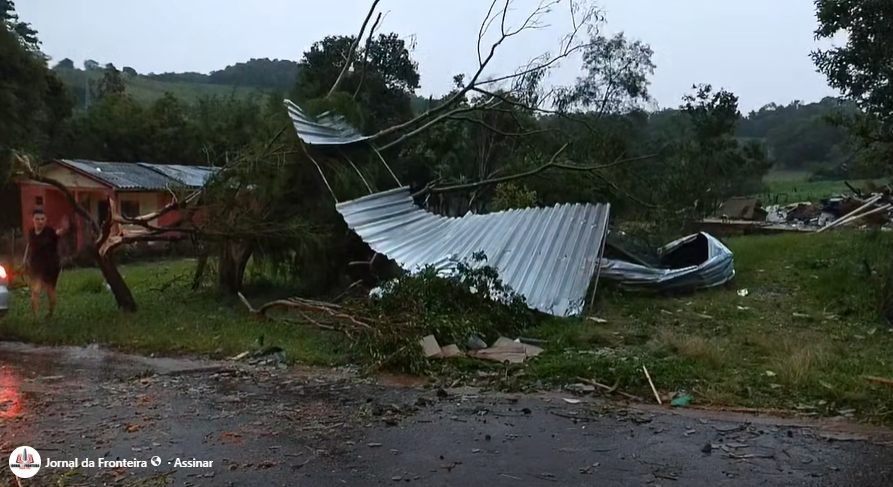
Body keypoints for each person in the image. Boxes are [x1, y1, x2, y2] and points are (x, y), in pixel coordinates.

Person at [23, 209, 69, 322]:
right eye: (37, 219)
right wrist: (25, 259)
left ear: (45, 220)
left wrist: (64, 228)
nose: (40, 222)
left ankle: (51, 313)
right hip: (36, 265)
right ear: (33, 220)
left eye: (42, 219)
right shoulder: (31, 232)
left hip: (50, 266)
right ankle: (34, 318)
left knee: (50, 290)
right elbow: (29, 246)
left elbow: (59, 233)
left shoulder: (50, 232)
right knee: (35, 290)